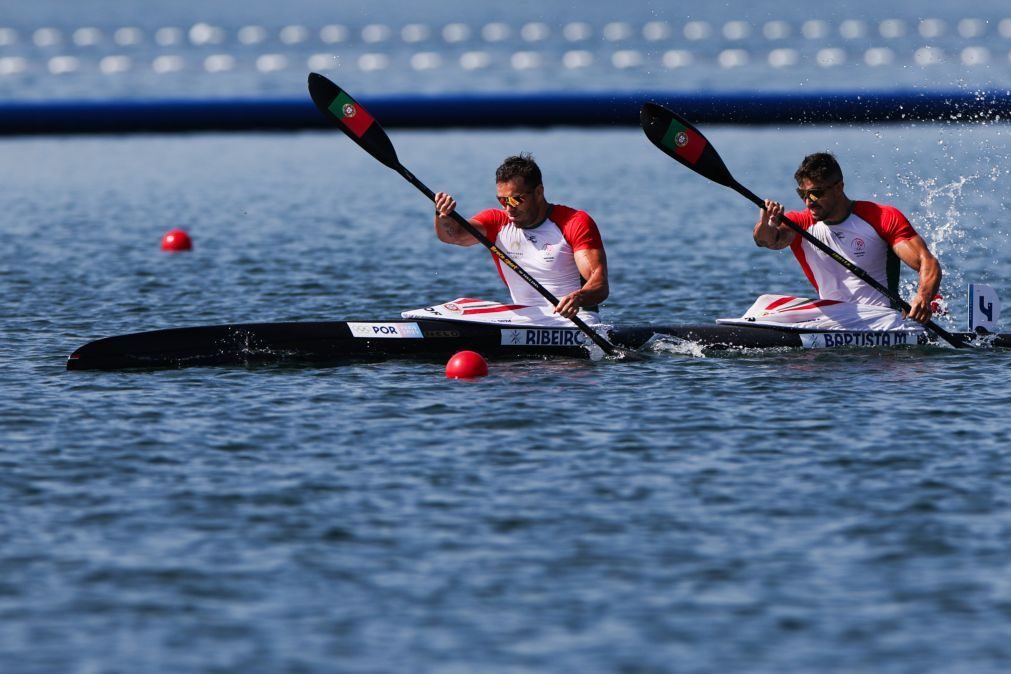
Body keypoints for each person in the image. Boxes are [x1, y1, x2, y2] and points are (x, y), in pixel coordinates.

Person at [753, 152, 941, 324]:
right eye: (802, 193)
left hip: (880, 318)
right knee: (765, 303)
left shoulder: (881, 218)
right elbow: (767, 240)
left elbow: (928, 262)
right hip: (833, 318)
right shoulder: (800, 224)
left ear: (839, 187)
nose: (808, 201)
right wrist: (766, 221)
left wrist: (923, 297)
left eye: (816, 193)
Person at [433, 153, 608, 323]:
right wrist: (444, 216)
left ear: (539, 192)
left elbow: (599, 285)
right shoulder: (497, 222)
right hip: (524, 320)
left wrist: (578, 298)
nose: (509, 208)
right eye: (502, 201)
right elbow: (453, 236)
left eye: (516, 200)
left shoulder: (574, 222)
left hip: (574, 321)